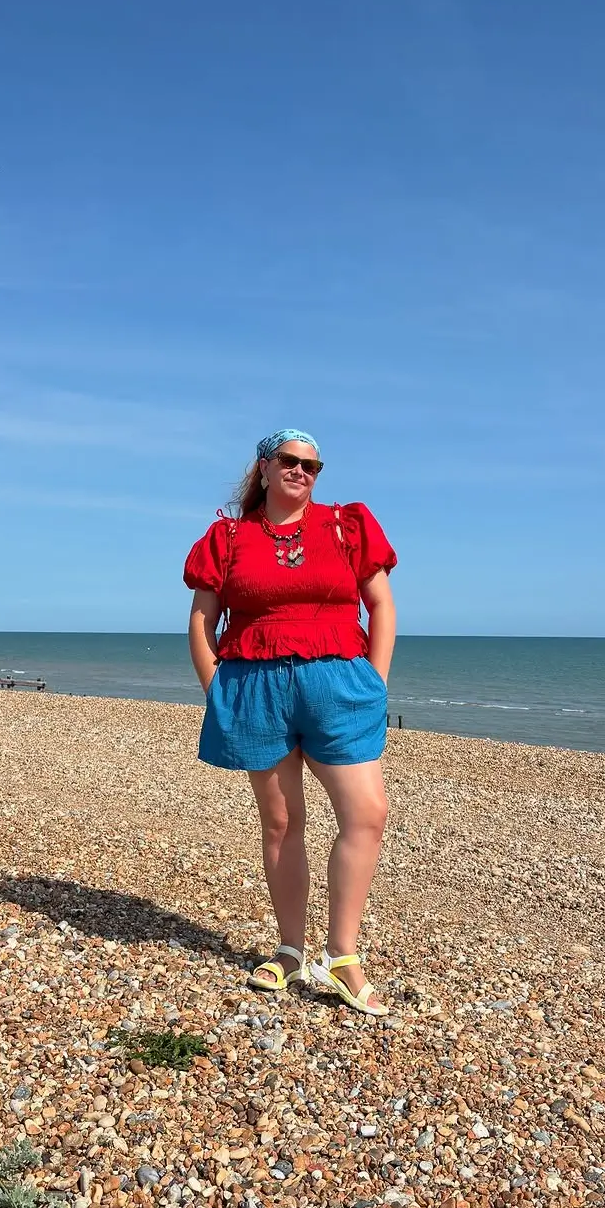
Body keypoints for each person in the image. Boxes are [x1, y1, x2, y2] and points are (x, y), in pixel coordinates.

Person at [184, 429, 397, 1016]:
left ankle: (342, 955)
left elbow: (381, 604)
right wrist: (217, 692)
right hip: (256, 687)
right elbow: (203, 620)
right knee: (281, 821)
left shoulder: (345, 526)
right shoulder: (229, 537)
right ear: (265, 466)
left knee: (367, 812)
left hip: (339, 686)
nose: (302, 471)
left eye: (312, 464)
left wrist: (374, 684)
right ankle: (289, 949)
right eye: (290, 460)